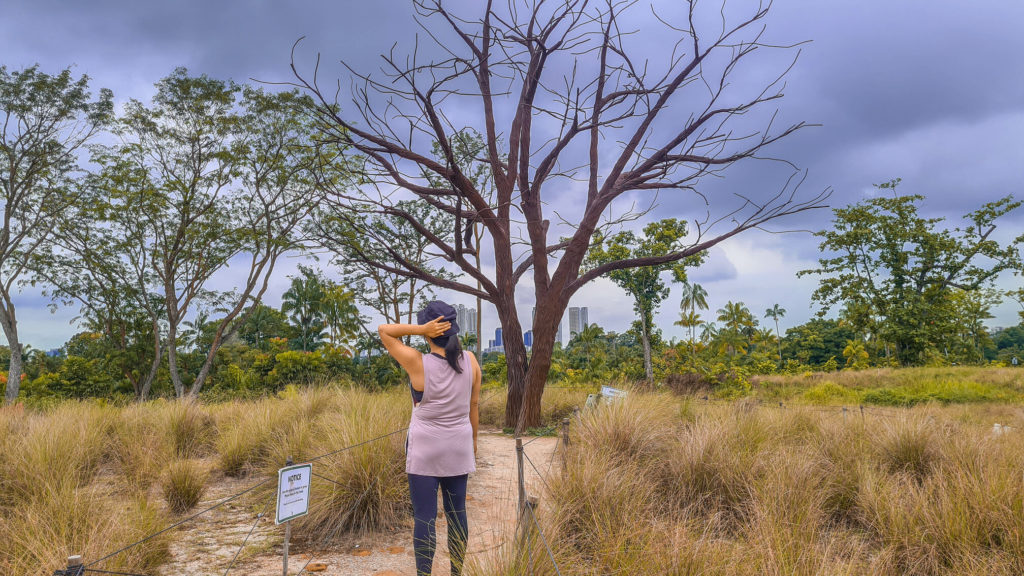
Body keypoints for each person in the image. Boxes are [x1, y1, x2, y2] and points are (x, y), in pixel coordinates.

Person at [378, 300, 481, 576]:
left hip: (425, 449)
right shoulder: (470, 361)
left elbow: (385, 331)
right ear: (454, 330)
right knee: (457, 513)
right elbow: (473, 407)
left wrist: (421, 329)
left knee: (424, 517)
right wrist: (472, 444)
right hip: (459, 446)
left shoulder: (417, 362)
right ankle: (456, 572)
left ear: (430, 331)